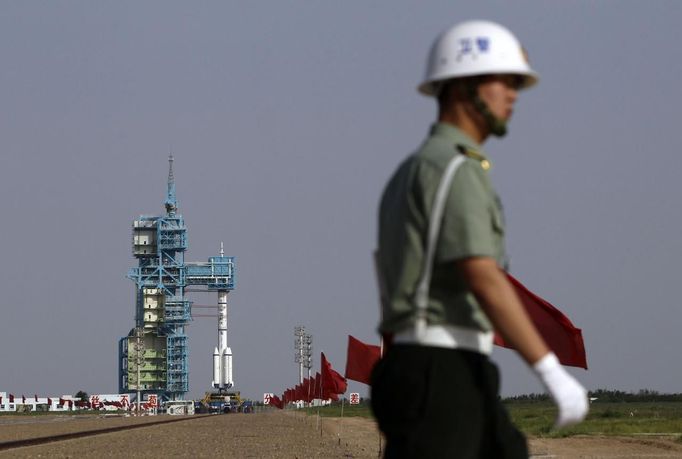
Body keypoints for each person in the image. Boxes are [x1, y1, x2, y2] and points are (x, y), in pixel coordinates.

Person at [371, 20, 588, 458]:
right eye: (503, 81)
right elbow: (483, 276)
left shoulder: (409, 173)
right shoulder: (456, 169)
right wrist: (551, 371)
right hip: (441, 372)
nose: (513, 94)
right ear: (462, 87)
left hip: (430, 368)